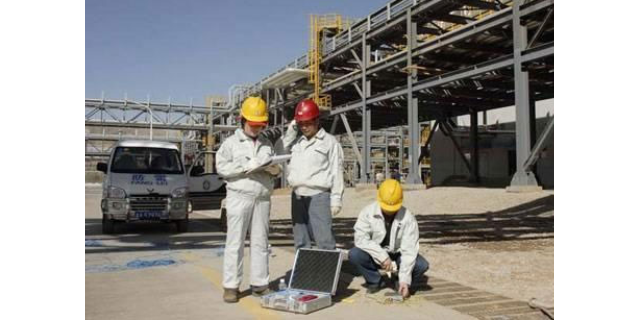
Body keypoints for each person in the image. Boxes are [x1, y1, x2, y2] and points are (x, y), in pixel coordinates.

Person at [216, 96, 281, 303]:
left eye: (259, 125)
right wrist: (245, 167)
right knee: (235, 243)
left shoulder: (266, 143)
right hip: (239, 197)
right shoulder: (230, 144)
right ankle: (231, 286)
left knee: (261, 243)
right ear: (242, 119)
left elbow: (276, 170)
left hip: (262, 198)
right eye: (253, 124)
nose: (256, 128)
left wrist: (273, 168)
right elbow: (222, 168)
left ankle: (260, 285)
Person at [276, 99, 344, 250]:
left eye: (308, 123)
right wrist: (290, 133)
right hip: (297, 197)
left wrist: (336, 199)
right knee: (301, 242)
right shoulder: (295, 143)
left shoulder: (330, 142)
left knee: (324, 241)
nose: (304, 127)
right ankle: (305, 273)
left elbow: (336, 171)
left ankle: (326, 273)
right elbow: (277, 154)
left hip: (319, 196)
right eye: (301, 124)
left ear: (317, 120)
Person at [348, 179, 429, 299]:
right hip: (376, 255)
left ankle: (398, 282)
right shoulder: (367, 213)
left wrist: (404, 281)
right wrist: (382, 256)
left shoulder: (408, 218)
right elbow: (361, 239)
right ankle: (375, 281)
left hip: (398, 255)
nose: (390, 211)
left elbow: (409, 251)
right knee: (355, 254)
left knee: (421, 265)